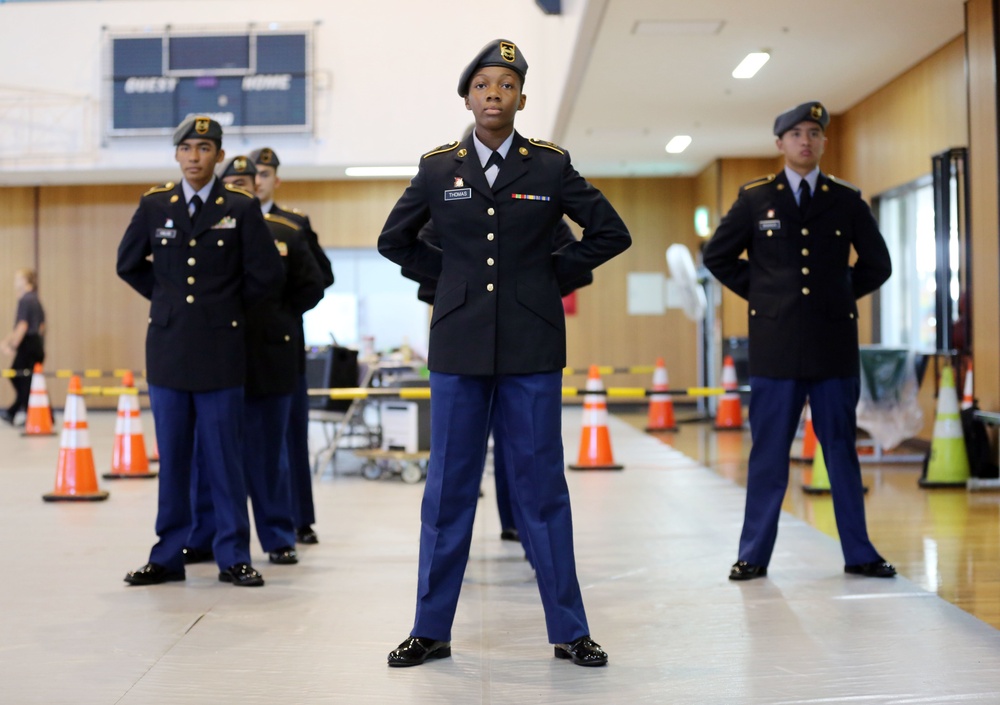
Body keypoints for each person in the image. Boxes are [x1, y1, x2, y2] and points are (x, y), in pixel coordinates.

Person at [378, 39, 630, 668]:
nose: (495, 95)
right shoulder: (439, 168)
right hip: (459, 346)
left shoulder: (549, 166)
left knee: (543, 488)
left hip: (531, 344)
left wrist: (550, 276)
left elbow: (610, 233)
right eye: (484, 86)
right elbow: (393, 239)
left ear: (521, 97)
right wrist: (452, 280)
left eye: (507, 86)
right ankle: (430, 629)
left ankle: (570, 631)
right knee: (448, 489)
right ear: (467, 97)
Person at [702, 101, 896, 582]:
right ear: (780, 143)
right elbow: (718, 256)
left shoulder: (847, 200)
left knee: (840, 453)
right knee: (768, 455)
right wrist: (765, 295)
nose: (805, 141)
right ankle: (753, 554)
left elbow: (878, 264)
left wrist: (840, 293)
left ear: (824, 141)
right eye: (796, 134)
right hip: (776, 347)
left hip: (833, 348)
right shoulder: (755, 198)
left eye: (814, 132)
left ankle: (860, 552)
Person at [117, 116, 285, 588]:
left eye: (205, 148)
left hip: (221, 350)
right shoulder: (155, 205)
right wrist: (168, 301)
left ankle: (232, 555)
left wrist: (226, 309)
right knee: (172, 458)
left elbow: (267, 275)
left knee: (224, 457)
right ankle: (168, 554)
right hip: (169, 350)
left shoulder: (240, 207)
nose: (195, 156)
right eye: (187, 148)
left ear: (218, 155)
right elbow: (127, 263)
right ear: (176, 155)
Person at [402, 218, 592, 551]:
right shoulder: (451, 204)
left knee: (520, 446)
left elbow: (579, 267)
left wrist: (532, 288)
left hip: (522, 337)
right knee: (457, 455)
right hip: (462, 334)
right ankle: (460, 537)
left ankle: (517, 526)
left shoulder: (540, 199)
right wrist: (458, 286)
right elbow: (413, 254)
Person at [183, 156, 325, 568]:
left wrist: (276, 318)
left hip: (268, 357)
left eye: (248, 181)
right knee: (210, 454)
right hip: (216, 356)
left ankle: (278, 536)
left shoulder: (285, 231)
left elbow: (312, 286)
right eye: (234, 183)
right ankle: (204, 536)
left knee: (267, 455)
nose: (243, 189)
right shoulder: (207, 230)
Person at [251, 146, 334, 545]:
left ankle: (300, 518)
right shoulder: (227, 220)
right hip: (237, 348)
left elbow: (321, 276)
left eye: (264, 174)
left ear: (275, 180)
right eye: (252, 174)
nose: (258, 180)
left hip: (284, 346)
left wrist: (284, 313)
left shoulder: (293, 223)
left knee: (291, 436)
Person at [1, 269, 45, 426]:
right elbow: (41, 326)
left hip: (28, 345)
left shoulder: (25, 300)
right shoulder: (35, 300)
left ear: (26, 281)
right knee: (31, 381)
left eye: (18, 279)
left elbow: (22, 326)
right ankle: (33, 412)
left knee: (20, 377)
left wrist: (12, 346)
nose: (15, 282)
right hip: (35, 345)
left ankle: (17, 410)